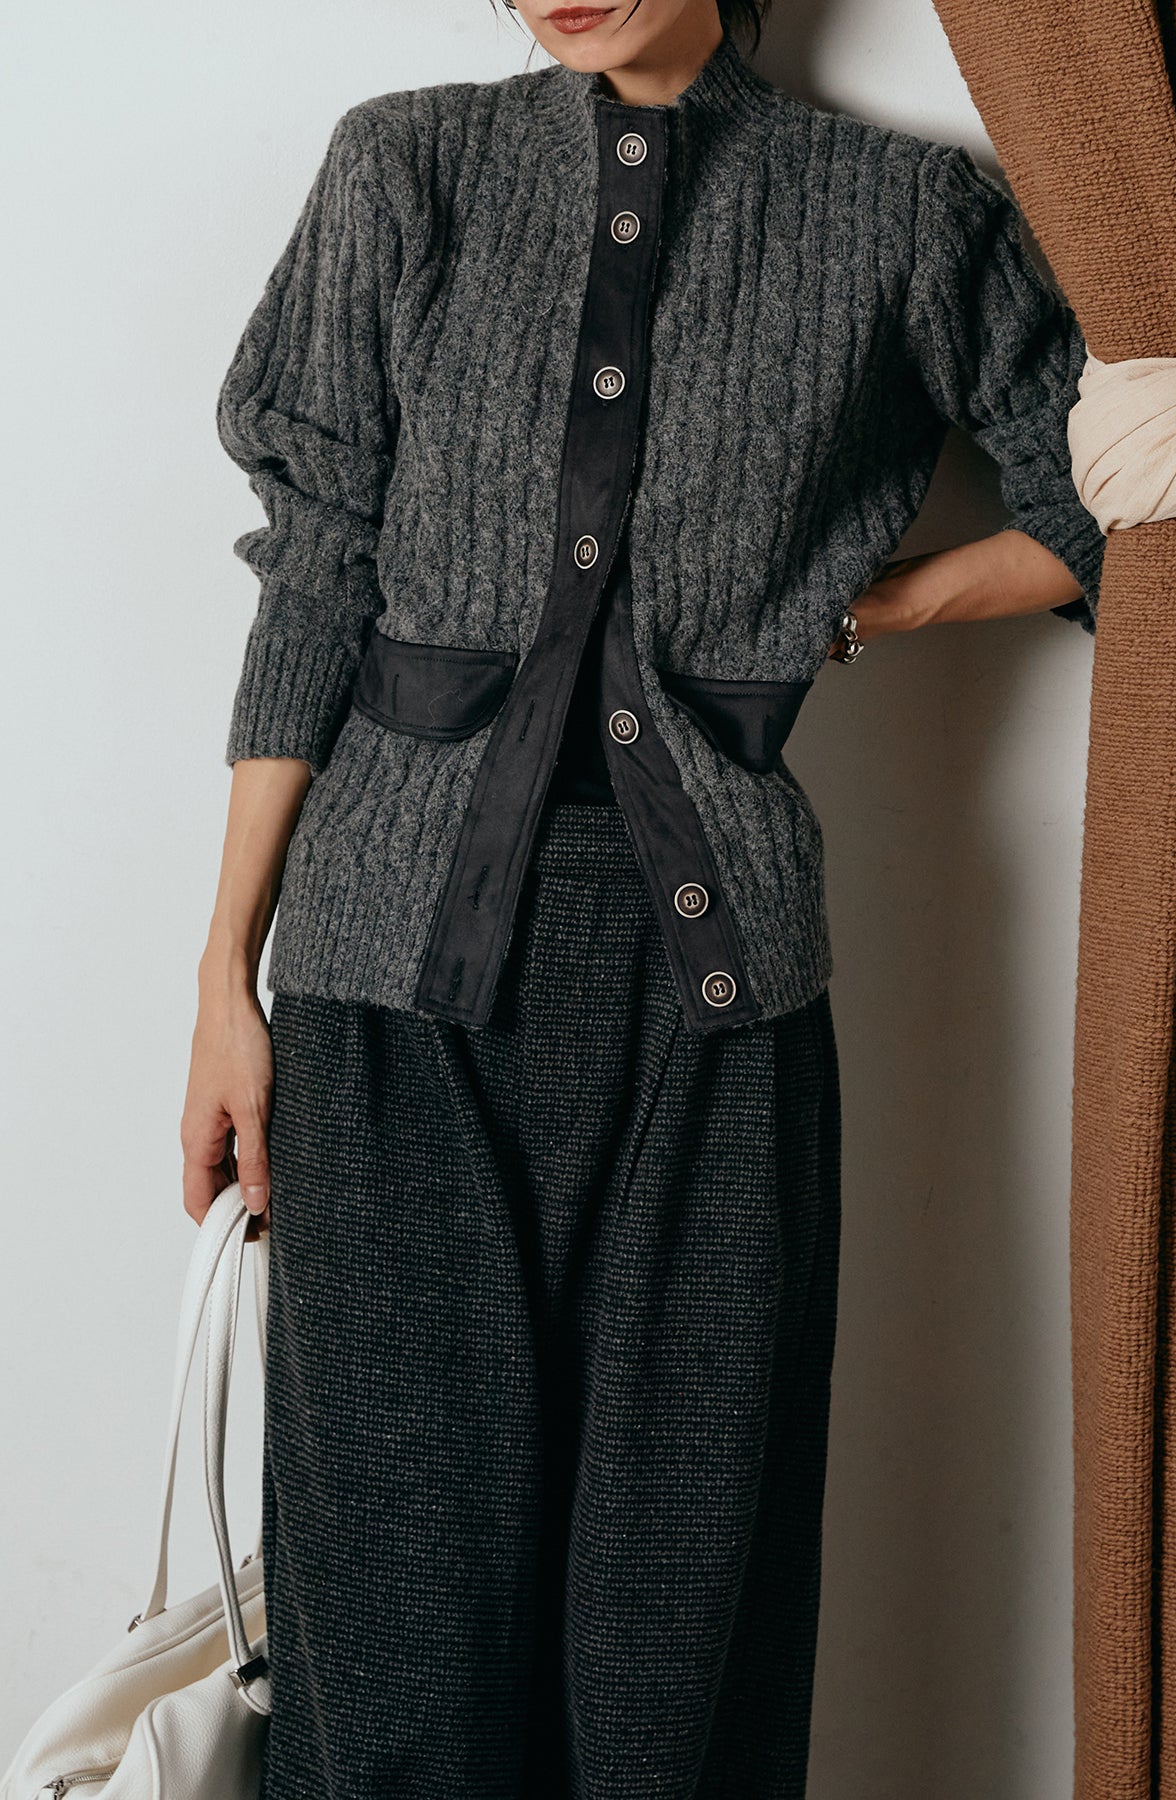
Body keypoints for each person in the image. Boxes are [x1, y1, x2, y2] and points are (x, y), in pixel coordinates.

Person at [181, 0, 1104, 1793]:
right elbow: (316, 573)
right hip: (385, 1001)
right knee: (394, 1653)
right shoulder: (408, 166)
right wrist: (227, 977)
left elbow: (1116, 489)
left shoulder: (898, 212)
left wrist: (873, 605)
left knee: (675, 1653)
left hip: (720, 1015)